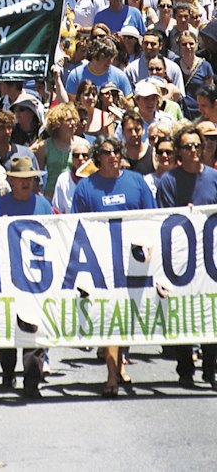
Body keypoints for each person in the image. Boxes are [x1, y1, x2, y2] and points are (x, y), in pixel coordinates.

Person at [72, 136, 155, 396]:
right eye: (107, 152)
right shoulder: (86, 188)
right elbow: (78, 226)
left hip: (133, 261)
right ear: (98, 158)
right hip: (102, 264)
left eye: (116, 151)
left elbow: (150, 218)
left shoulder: (137, 182)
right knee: (110, 318)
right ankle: (111, 375)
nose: (113, 156)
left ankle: (120, 365)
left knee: (127, 317)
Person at [156, 124, 217, 388]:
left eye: (196, 145)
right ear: (179, 151)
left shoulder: (214, 178)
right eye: (187, 146)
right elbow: (163, 218)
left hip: (212, 258)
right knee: (184, 312)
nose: (193, 150)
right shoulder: (169, 181)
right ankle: (185, 368)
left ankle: (211, 369)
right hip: (180, 258)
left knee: (212, 312)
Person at [0, 155, 52, 398]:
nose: (26, 183)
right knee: (7, 326)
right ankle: (7, 374)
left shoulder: (43, 205)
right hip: (7, 274)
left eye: (30, 179)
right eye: (21, 179)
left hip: (36, 277)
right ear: (11, 180)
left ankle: (32, 380)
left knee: (34, 329)